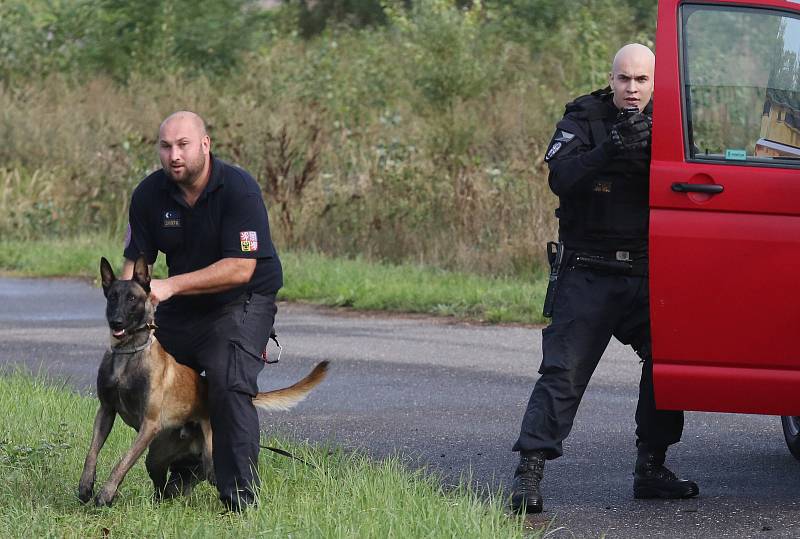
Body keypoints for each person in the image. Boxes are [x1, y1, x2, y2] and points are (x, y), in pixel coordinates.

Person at [509, 44, 699, 514]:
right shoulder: (584, 118)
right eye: (624, 80)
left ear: (657, 83)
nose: (632, 90)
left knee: (669, 362)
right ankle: (528, 474)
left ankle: (651, 469)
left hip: (643, 272)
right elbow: (561, 178)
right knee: (563, 374)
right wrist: (609, 149)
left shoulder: (671, 125)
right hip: (588, 271)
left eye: (641, 81)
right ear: (610, 79)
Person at [120, 110, 283, 512]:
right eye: (165, 146)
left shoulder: (239, 189)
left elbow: (241, 267)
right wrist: (123, 314)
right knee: (142, 374)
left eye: (183, 145)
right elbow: (131, 271)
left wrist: (170, 285)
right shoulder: (148, 195)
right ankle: (188, 463)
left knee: (228, 381)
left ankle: (240, 499)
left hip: (243, 300)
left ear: (205, 144)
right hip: (184, 307)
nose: (174, 155)